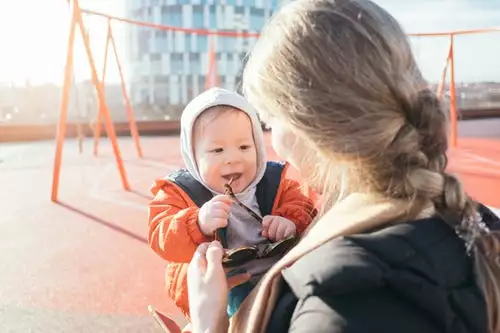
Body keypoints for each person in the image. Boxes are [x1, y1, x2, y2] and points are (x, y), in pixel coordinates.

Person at [184, 1, 500, 333]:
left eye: (269, 120)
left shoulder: (338, 303)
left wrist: (210, 325)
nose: (272, 140)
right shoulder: (475, 222)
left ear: (306, 124)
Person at [147, 87, 316, 320]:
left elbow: (303, 206)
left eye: (244, 147)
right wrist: (197, 222)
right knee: (242, 307)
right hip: (222, 284)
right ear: (193, 156)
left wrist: (289, 221)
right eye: (217, 150)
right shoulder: (180, 192)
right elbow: (161, 236)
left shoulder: (274, 182)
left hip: (276, 273)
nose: (233, 158)